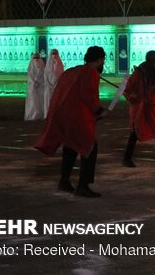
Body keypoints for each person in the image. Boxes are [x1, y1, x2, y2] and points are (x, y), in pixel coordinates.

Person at [35, 46, 108, 198]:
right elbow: (88, 94)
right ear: (100, 59)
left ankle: (64, 181)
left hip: (65, 116)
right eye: (103, 60)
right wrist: (99, 110)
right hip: (78, 117)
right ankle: (83, 185)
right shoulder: (90, 73)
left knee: (71, 146)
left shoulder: (72, 71)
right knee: (89, 147)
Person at [122, 50, 155, 167]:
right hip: (138, 106)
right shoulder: (139, 73)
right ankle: (127, 158)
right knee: (136, 130)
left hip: (151, 106)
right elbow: (126, 88)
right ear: (150, 60)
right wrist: (131, 95)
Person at [43, 48, 64, 118]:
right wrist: (49, 84)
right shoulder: (48, 65)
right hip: (48, 87)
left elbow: (61, 75)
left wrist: (55, 84)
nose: (54, 55)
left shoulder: (60, 65)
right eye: (52, 54)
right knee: (48, 101)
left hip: (57, 87)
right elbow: (45, 75)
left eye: (55, 54)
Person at [24, 53, 45, 121]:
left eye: (37, 58)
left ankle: (40, 115)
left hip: (41, 86)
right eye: (34, 58)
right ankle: (33, 115)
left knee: (40, 101)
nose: (36, 60)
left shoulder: (42, 66)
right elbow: (30, 76)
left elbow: (43, 75)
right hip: (32, 87)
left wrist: (38, 81)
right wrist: (34, 82)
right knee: (33, 101)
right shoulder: (30, 67)